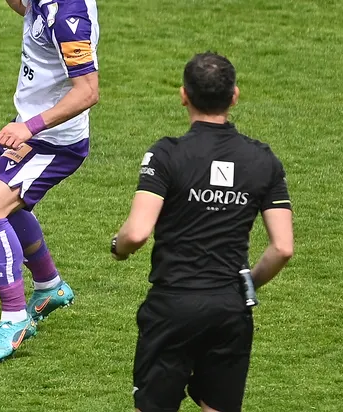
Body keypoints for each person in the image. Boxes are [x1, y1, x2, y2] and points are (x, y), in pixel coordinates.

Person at [111, 52, 294, 412]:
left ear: (184, 95)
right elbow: (282, 247)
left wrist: (118, 246)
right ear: (234, 96)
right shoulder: (263, 160)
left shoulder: (166, 155)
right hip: (230, 308)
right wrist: (246, 285)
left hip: (173, 306)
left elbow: (137, 233)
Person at [0, 0, 100, 362]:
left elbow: (88, 92)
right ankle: (49, 285)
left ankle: (14, 318)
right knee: (2, 203)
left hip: (53, 141)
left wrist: (31, 127)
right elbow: (18, 2)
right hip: (31, 128)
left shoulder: (70, 19)